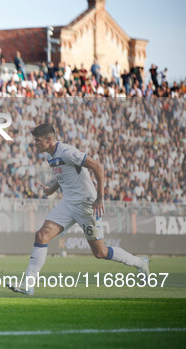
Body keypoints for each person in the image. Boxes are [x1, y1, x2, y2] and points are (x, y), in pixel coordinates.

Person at [8, 124, 149, 296]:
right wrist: (52, 189)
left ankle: (140, 263)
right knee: (41, 235)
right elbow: (65, 175)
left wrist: (100, 198)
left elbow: (98, 167)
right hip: (68, 205)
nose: (35, 144)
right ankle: (28, 284)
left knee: (100, 252)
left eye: (37, 141)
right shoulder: (51, 157)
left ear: (49, 140)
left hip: (86, 205)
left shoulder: (67, 152)